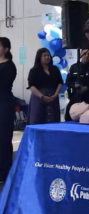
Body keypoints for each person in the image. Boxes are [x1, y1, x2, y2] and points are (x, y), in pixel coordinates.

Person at [27, 48, 63, 125]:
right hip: (39, 98)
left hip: (53, 97)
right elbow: (31, 86)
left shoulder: (55, 69)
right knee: (37, 120)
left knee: (53, 120)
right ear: (39, 57)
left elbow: (60, 82)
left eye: (48, 55)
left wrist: (56, 94)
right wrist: (42, 96)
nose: (47, 57)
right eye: (44, 55)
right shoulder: (34, 70)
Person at [65, 49, 89, 121]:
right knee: (68, 116)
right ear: (80, 55)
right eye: (85, 53)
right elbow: (68, 82)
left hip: (88, 98)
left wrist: (87, 88)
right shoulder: (74, 67)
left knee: (86, 119)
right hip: (75, 97)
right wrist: (74, 86)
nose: (87, 56)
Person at [0, 37, 16, 183]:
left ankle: (4, 171)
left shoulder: (9, 66)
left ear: (6, 49)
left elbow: (5, 84)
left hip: (4, 102)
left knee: (3, 137)